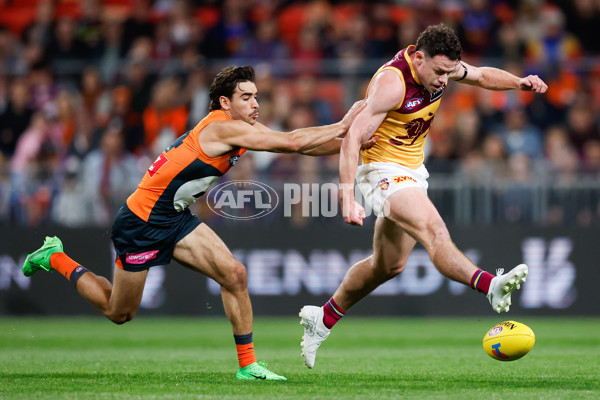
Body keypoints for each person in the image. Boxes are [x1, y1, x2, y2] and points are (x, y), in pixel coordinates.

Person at [22, 66, 368, 381]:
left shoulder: (240, 128)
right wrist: (343, 125)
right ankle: (55, 257)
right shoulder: (221, 128)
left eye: (256, 96)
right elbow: (291, 142)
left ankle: (248, 366)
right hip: (141, 222)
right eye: (246, 97)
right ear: (225, 102)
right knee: (118, 312)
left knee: (234, 274)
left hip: (174, 218)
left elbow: (302, 149)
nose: (255, 103)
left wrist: (355, 146)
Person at [299, 24, 548, 369]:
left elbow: (479, 76)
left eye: (450, 72)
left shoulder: (440, 68)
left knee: (387, 265)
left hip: (413, 171)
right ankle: (490, 285)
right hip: (381, 172)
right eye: (440, 71)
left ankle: (322, 318)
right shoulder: (392, 83)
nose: (445, 80)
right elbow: (352, 137)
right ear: (418, 57)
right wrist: (347, 196)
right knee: (434, 230)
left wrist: (517, 83)